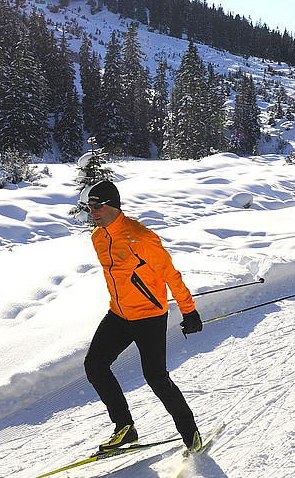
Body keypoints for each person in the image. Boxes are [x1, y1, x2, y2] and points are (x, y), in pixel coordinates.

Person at [81, 180, 206, 452]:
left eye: (98, 206)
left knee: (156, 377)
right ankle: (125, 427)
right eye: (89, 207)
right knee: (95, 365)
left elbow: (170, 275)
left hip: (149, 317)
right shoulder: (99, 238)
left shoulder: (140, 237)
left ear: (113, 205)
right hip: (119, 314)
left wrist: (189, 310)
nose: (93, 212)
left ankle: (190, 432)